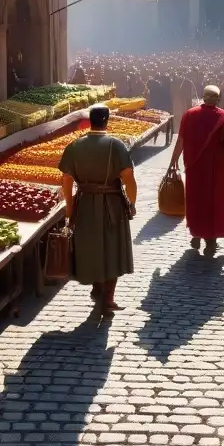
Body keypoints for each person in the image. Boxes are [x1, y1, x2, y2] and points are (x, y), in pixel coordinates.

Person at [59, 105, 138, 320]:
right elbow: (129, 178)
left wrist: (69, 206)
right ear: (107, 120)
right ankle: (108, 296)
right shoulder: (116, 145)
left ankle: (97, 287)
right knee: (112, 249)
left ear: (90, 121)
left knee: (91, 247)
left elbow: (66, 179)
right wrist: (132, 202)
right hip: (112, 204)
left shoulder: (74, 146)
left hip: (84, 202)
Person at [169, 85, 224, 257]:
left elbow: (181, 139)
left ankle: (196, 233)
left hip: (195, 168)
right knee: (213, 204)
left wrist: (173, 160)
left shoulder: (189, 115)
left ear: (203, 98)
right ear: (218, 99)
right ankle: (211, 243)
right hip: (217, 171)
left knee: (197, 201)